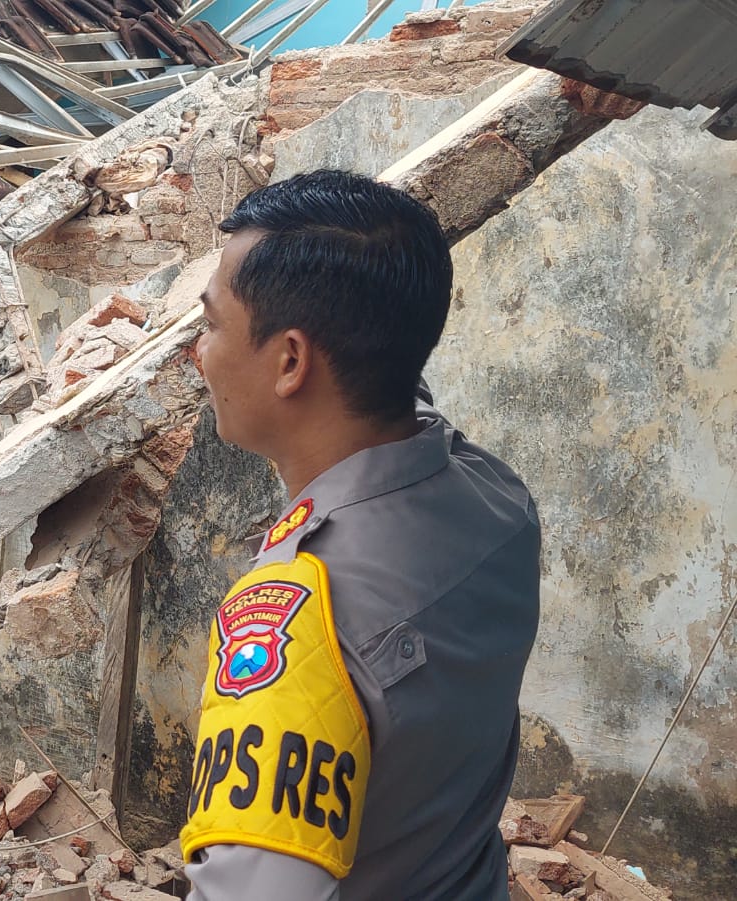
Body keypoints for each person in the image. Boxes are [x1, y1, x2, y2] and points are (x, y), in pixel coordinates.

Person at [179, 170, 540, 899]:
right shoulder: (497, 505)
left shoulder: (298, 625)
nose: (197, 350)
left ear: (289, 362)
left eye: (212, 322)